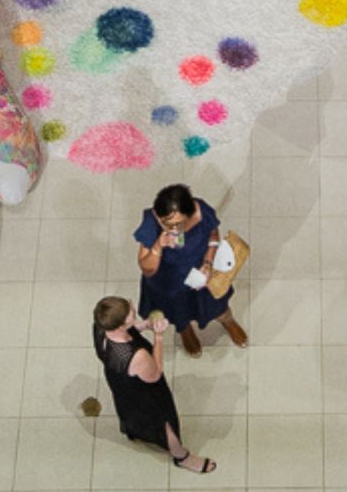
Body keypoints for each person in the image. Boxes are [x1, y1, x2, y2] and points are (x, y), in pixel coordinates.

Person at [94, 296, 217, 474]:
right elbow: (156, 373)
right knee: (164, 423)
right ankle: (182, 457)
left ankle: (136, 432)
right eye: (131, 313)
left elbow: (126, 331)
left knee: (130, 412)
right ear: (121, 325)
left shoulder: (100, 327)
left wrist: (144, 325)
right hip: (143, 390)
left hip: (120, 382)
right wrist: (158, 337)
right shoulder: (137, 357)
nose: (133, 309)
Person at [133, 185, 244, 355]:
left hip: (201, 276)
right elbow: (147, 269)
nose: (174, 229)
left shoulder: (202, 210)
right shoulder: (151, 223)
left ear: (190, 213)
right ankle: (185, 332)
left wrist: (207, 263)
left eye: (179, 224)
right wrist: (158, 246)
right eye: (167, 223)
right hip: (170, 283)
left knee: (217, 304)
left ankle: (227, 320)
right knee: (179, 313)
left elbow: (213, 234)